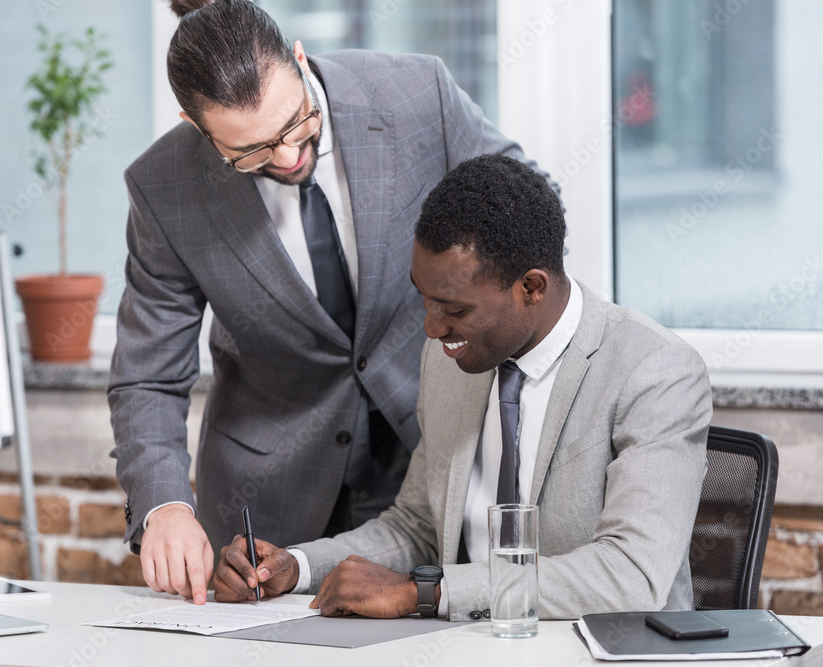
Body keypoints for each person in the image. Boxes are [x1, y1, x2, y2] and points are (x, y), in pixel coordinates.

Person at [107, 0, 558, 604]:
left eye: (295, 125)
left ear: (299, 59)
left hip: (428, 457)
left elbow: (530, 207)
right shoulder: (164, 187)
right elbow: (146, 376)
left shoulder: (415, 93)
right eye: (252, 154)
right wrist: (163, 505)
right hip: (267, 498)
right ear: (196, 124)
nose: (289, 158)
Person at [213, 154, 712, 622]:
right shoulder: (452, 358)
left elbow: (630, 575)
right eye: (425, 301)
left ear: (531, 288)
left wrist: (427, 592)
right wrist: (296, 567)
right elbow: (418, 526)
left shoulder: (655, 371)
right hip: (468, 645)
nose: (432, 329)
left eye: (454, 310)